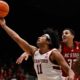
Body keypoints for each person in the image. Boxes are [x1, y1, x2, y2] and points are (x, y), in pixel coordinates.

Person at [0, 18, 75, 80]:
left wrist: (71, 77)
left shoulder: (54, 53)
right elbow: (17, 38)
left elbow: (69, 70)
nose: (39, 37)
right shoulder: (33, 51)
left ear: (48, 41)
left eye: (42, 36)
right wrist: (4, 26)